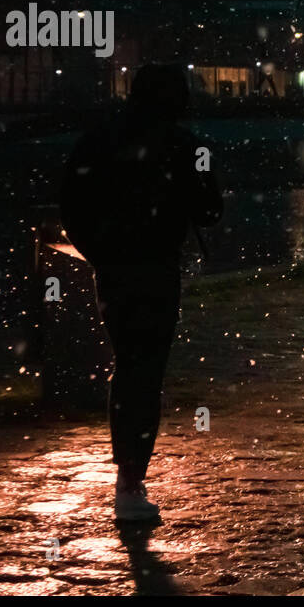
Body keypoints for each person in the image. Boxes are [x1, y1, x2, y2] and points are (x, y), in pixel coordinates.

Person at [60, 64, 223, 520]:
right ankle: (132, 477)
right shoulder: (186, 145)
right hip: (157, 266)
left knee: (128, 362)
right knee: (146, 371)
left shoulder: (99, 139)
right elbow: (210, 211)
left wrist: (100, 252)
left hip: (113, 268)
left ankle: (127, 475)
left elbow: (71, 204)